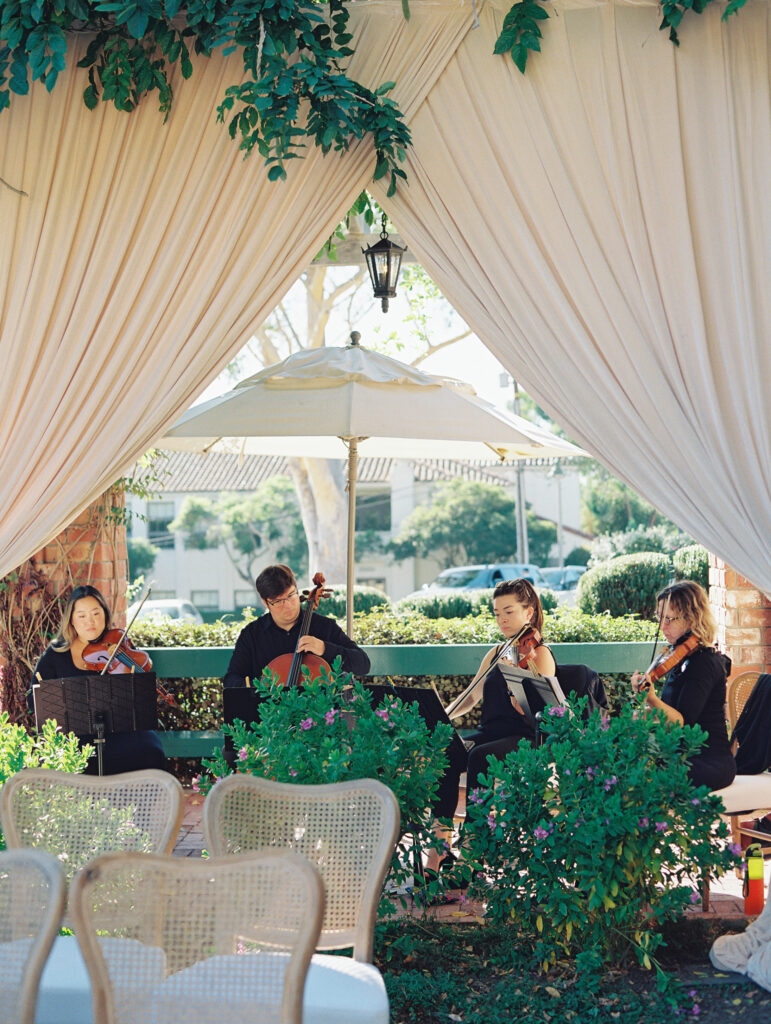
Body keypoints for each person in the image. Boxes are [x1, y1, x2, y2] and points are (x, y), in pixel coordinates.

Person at [426, 578, 556, 874]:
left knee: (480, 757)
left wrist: (518, 690)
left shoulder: (541, 654)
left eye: (509, 612)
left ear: (530, 612)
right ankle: (439, 853)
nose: (502, 620)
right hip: (492, 733)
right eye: (497, 613)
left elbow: (542, 710)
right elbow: (471, 695)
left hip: (525, 736)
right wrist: (442, 717)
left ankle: (472, 853)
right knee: (445, 752)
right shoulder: (496, 651)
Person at [30, 585, 165, 775]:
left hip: (120, 731)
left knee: (150, 748)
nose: (90, 622)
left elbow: (139, 695)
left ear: (105, 615)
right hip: (75, 735)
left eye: (96, 613)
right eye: (82, 616)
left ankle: (142, 802)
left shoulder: (118, 645)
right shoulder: (56, 654)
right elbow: (33, 698)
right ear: (72, 620)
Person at [632, 579, 735, 791]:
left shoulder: (704, 662)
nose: (663, 626)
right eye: (660, 618)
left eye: (669, 619)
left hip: (706, 762)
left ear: (691, 619)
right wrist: (643, 714)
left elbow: (680, 722)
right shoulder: (680, 658)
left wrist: (651, 699)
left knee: (635, 777)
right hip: (681, 755)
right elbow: (669, 713)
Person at [223, 564, 370, 687]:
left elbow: (363, 664)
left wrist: (324, 648)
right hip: (271, 717)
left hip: (318, 717)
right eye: (278, 601)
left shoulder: (324, 627)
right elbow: (232, 679)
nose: (287, 605)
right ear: (264, 601)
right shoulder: (252, 635)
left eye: (291, 595)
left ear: (297, 589)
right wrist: (262, 688)